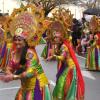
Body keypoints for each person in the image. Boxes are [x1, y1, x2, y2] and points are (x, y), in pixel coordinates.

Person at [0, 4, 51, 100]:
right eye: (16, 39)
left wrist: (13, 77)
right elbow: (9, 66)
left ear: (25, 41)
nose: (17, 42)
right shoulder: (14, 53)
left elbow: (30, 72)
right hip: (25, 86)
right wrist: (8, 73)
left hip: (37, 86)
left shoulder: (30, 53)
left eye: (20, 40)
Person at [47, 21, 85, 100]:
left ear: (60, 38)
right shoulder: (60, 45)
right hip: (67, 66)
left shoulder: (64, 46)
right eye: (54, 38)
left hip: (70, 67)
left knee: (62, 82)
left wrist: (53, 56)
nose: (55, 39)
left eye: (56, 38)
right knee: (63, 83)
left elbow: (62, 57)